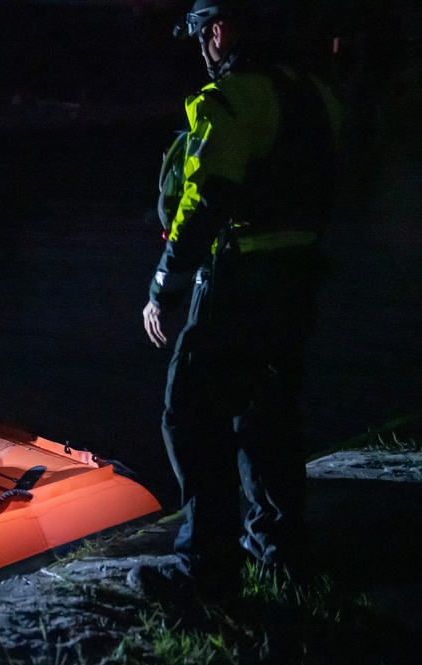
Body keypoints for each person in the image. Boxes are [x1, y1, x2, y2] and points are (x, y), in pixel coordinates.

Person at [131, 0, 343, 600]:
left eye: (203, 34)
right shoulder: (318, 96)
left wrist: (163, 291)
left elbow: (205, 203)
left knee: (190, 414)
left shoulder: (232, 99)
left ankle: (205, 567)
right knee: (268, 413)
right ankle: (278, 552)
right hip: (299, 280)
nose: (202, 48)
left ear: (221, 29)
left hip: (240, 282)